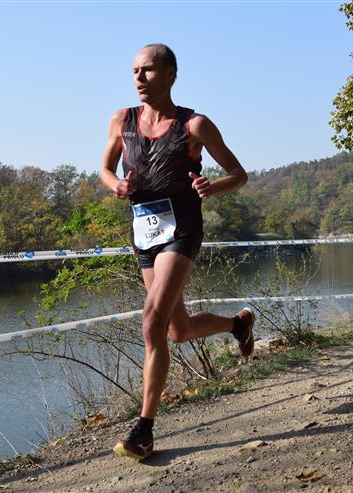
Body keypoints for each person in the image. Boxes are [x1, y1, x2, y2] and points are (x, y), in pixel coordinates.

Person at [100, 43, 255, 461]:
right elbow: (105, 169)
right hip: (144, 232)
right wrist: (116, 185)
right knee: (177, 330)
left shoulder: (194, 125)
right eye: (134, 71)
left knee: (151, 321)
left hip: (181, 230)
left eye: (148, 70)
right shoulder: (121, 120)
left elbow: (238, 174)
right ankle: (237, 325)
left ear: (171, 73)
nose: (139, 78)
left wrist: (212, 186)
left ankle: (144, 430)